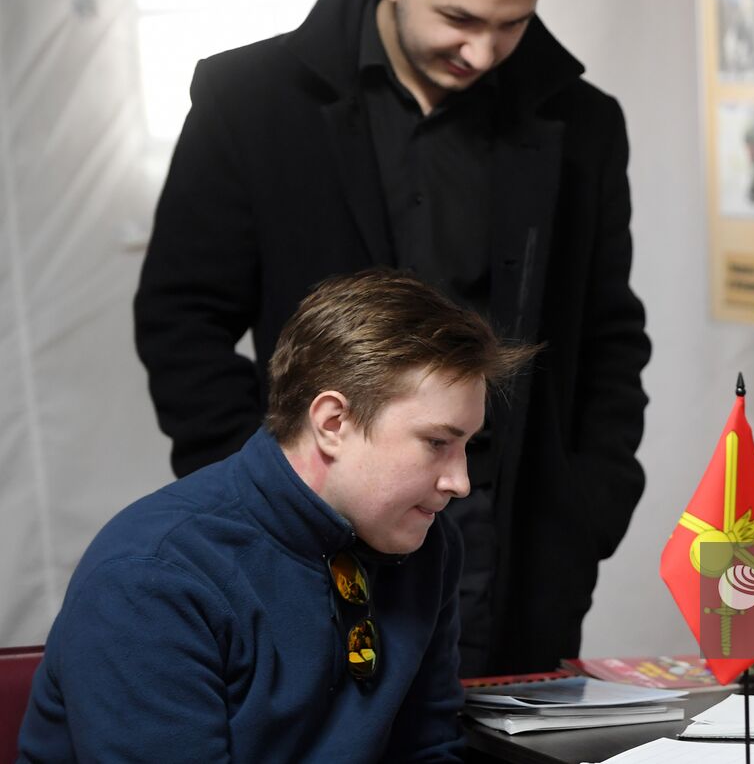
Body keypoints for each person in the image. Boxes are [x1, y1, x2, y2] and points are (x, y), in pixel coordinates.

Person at [133, 0, 651, 676]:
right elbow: (180, 320)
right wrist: (259, 491)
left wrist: (590, 503)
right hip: (315, 522)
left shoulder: (583, 123)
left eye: (511, 24)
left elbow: (610, 330)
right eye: (460, 19)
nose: (482, 52)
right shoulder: (251, 101)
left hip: (507, 543)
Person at [22, 270, 531, 761]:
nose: (460, 482)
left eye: (467, 445)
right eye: (437, 442)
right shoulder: (151, 579)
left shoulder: (427, 544)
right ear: (333, 423)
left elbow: (427, 750)